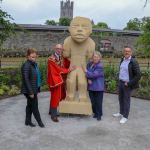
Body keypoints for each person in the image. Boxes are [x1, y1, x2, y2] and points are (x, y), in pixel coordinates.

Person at [47, 44, 75, 122]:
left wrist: (73, 61)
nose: (59, 50)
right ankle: (53, 116)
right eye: (58, 49)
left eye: (61, 49)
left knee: (61, 95)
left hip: (61, 80)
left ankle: (51, 111)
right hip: (55, 80)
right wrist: (69, 70)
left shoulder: (62, 58)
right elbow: (58, 69)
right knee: (55, 97)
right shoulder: (51, 59)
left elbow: (67, 63)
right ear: (55, 49)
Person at [113, 46, 141, 124]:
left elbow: (138, 75)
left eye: (128, 51)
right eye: (125, 51)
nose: (126, 52)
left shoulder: (133, 61)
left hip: (127, 84)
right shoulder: (122, 60)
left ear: (131, 52)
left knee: (126, 100)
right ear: (123, 52)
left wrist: (129, 83)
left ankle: (125, 117)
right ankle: (121, 113)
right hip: (121, 82)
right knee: (120, 99)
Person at [21, 48, 45, 128]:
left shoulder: (33, 64)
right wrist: (31, 92)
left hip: (34, 88)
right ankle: (40, 122)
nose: (34, 58)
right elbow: (26, 80)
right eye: (32, 57)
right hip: (29, 90)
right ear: (28, 57)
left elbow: (36, 77)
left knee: (29, 105)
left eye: (35, 57)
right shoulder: (26, 65)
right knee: (34, 106)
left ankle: (27, 121)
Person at [83, 51, 104, 121]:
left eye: (97, 57)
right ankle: (95, 113)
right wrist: (88, 78)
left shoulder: (100, 66)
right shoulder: (89, 64)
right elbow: (88, 74)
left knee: (98, 102)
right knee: (93, 101)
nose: (95, 58)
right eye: (94, 57)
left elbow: (94, 74)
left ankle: (99, 115)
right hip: (91, 87)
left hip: (98, 87)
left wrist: (86, 71)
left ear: (99, 58)